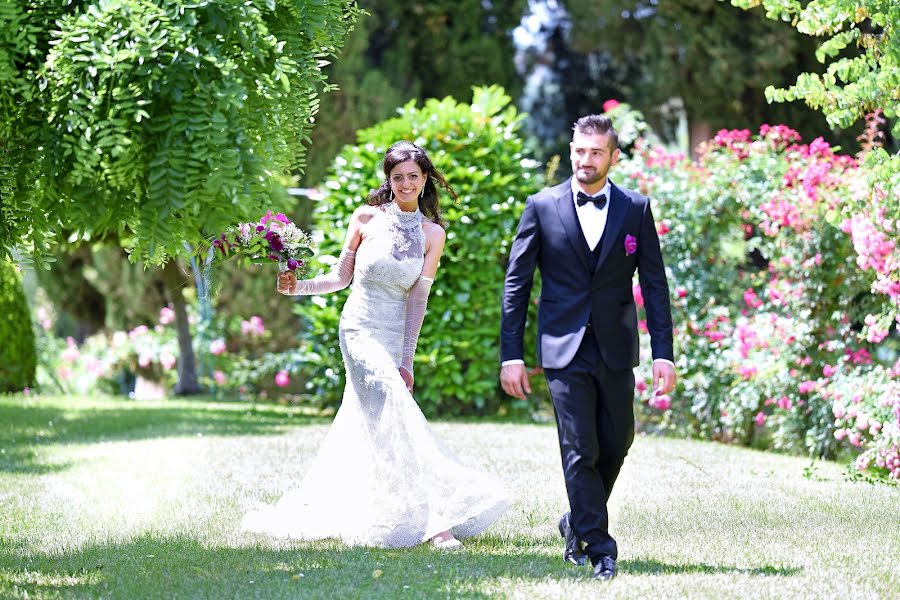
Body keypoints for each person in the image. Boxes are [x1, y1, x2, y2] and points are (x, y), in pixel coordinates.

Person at [241, 141, 509, 550]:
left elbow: (418, 300)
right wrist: (299, 288)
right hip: (359, 328)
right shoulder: (365, 218)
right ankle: (437, 522)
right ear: (389, 180)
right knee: (396, 407)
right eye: (397, 177)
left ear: (424, 181)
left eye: (413, 177)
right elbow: (340, 278)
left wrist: (408, 360)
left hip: (394, 333)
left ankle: (396, 509)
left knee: (384, 425)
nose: (405, 184)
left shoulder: (432, 234)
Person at [499, 114, 676, 581]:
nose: (585, 159)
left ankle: (576, 521)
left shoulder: (636, 208)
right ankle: (600, 547)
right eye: (580, 150)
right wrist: (511, 354)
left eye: (596, 152)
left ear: (613, 157)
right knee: (579, 447)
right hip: (562, 346)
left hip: (617, 345)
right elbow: (516, 285)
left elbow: (654, 285)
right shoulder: (541, 205)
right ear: (572, 149)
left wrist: (664, 352)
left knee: (616, 442)